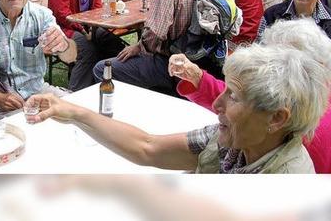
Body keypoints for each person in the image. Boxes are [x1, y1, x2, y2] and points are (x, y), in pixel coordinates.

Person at [28, 43, 329, 173]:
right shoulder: (237, 141)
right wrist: (74, 112)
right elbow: (148, 147)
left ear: (277, 118)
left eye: (233, 96)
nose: (216, 102)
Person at [171, 18, 331, 173]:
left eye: (277, 60)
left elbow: (249, 101)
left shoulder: (304, 133)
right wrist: (198, 78)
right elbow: (248, 96)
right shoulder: (307, 98)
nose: (266, 63)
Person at [93, 0, 211, 97]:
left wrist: (138, 47)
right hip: (197, 59)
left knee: (102, 69)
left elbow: (156, 33)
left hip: (169, 62)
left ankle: (115, 115)